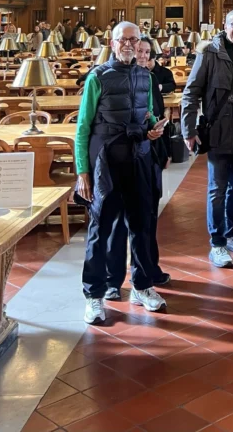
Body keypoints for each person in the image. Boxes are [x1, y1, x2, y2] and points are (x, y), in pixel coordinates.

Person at [75, 21, 168, 324]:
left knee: (141, 227)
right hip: (106, 163)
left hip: (138, 158)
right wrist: (82, 171)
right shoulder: (98, 77)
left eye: (134, 39)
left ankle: (142, 286)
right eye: (123, 40)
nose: (129, 44)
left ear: (140, 42)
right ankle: (94, 295)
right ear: (112, 43)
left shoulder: (146, 76)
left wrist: (153, 128)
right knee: (100, 230)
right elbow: (83, 128)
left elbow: (148, 113)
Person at [182, 9, 233, 268]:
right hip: (218, 130)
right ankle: (217, 243)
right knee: (217, 188)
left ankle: (231, 233)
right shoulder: (209, 53)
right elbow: (191, 92)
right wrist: (188, 130)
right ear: (224, 26)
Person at [104, 38, 172, 298]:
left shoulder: (149, 79)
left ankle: (148, 269)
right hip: (122, 156)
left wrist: (164, 151)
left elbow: (159, 116)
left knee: (147, 218)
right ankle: (113, 279)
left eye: (147, 52)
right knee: (118, 221)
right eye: (139, 51)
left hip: (149, 155)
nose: (143, 55)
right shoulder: (111, 78)